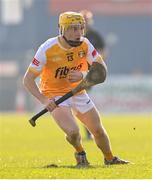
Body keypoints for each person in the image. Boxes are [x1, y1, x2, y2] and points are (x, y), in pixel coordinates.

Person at [23, 11, 129, 167]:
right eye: (73, 28)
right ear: (62, 29)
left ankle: (110, 159)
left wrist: (83, 74)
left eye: (80, 28)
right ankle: (80, 153)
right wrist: (44, 100)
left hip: (78, 91)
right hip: (54, 95)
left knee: (97, 130)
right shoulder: (47, 49)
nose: (78, 33)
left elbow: (101, 70)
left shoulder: (85, 44)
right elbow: (27, 80)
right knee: (73, 133)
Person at [80, 10, 107, 140]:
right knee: (81, 101)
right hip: (74, 71)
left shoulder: (95, 36)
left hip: (89, 73)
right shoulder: (74, 35)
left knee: (83, 99)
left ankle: (88, 131)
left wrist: (96, 65)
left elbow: (103, 52)